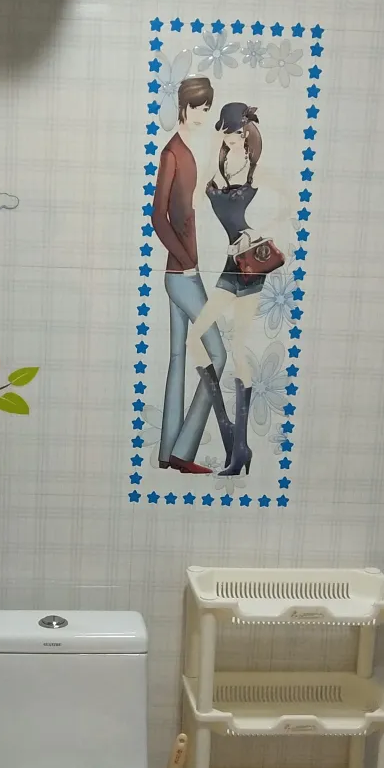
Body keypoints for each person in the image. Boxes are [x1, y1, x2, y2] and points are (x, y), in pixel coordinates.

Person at [188, 101, 274, 476]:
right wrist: (214, 150)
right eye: (224, 133)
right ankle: (228, 431)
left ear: (246, 131)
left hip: (250, 262)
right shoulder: (220, 167)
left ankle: (239, 448)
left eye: (234, 132)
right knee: (196, 337)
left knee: (238, 348)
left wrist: (258, 235)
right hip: (230, 262)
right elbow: (196, 197)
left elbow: (289, 203)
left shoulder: (255, 171)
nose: (229, 139)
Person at [151, 77, 232, 473]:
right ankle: (184, 452)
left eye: (207, 108)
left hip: (184, 270)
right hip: (182, 273)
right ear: (184, 106)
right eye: (199, 107)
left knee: (178, 356)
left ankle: (167, 452)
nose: (203, 114)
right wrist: (185, 261)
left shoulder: (191, 149)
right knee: (218, 354)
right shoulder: (173, 153)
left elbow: (196, 203)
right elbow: (158, 216)